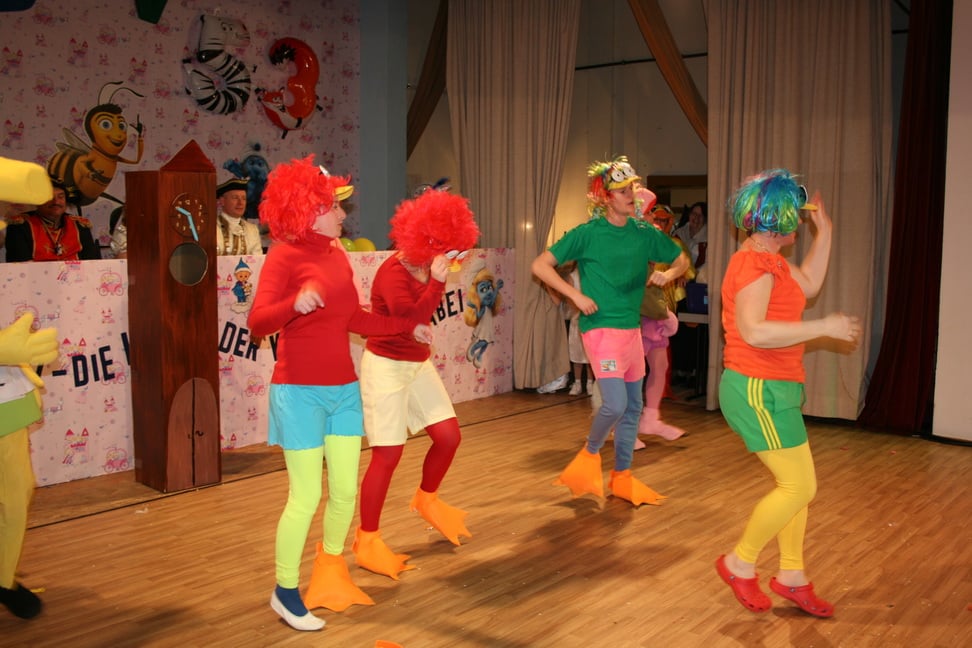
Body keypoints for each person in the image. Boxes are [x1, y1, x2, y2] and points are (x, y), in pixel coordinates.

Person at [248, 155, 432, 632]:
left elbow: (354, 318)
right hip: (299, 393)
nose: (342, 214)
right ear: (307, 210)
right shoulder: (284, 256)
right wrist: (294, 303)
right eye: (333, 206)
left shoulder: (336, 255)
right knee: (306, 495)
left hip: (343, 392)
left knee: (345, 492)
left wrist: (406, 327)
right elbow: (257, 324)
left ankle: (330, 568)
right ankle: (285, 590)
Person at [715, 169, 861, 618]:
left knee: (796, 487)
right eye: (795, 213)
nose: (800, 219)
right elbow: (754, 331)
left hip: (778, 387)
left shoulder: (772, 261)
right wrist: (825, 326)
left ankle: (792, 576)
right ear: (776, 218)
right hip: (755, 388)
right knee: (800, 485)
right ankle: (739, 563)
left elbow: (810, 284)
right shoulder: (753, 265)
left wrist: (826, 230)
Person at [531, 156, 689, 506]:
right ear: (606, 198)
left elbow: (681, 259)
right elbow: (540, 265)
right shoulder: (587, 234)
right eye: (622, 191)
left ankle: (622, 477)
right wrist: (574, 295)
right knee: (615, 404)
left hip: (631, 331)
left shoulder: (644, 233)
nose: (631, 195)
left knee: (633, 408)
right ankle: (590, 453)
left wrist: (669, 273)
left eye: (632, 188)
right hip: (600, 330)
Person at [353, 189, 480, 580]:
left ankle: (426, 499)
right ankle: (366, 539)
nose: (449, 257)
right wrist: (437, 285)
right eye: (444, 247)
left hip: (416, 363)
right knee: (387, 455)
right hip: (385, 368)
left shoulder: (425, 265)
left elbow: (416, 324)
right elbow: (410, 318)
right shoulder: (393, 272)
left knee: (448, 436)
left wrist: (433, 285)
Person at [637, 203, 696, 444]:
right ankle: (623, 426)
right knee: (630, 374)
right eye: (650, 212)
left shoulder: (652, 236)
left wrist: (669, 274)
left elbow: (682, 262)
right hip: (630, 313)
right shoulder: (624, 237)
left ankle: (650, 419)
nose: (654, 218)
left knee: (659, 366)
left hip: (652, 309)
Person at [3, 179, 101, 262]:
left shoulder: (79, 225)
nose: (56, 202)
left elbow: (91, 263)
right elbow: (19, 267)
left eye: (61, 197)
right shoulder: (21, 225)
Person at [215, 176, 262, 256]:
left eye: (244, 198)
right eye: (235, 198)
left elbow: (257, 260)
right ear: (222, 201)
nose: (240, 203)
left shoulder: (252, 230)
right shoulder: (212, 229)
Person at [673, 201, 707, 269]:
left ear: (705, 219)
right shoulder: (678, 233)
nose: (696, 218)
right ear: (689, 215)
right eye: (694, 214)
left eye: (701, 215)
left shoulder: (709, 238)